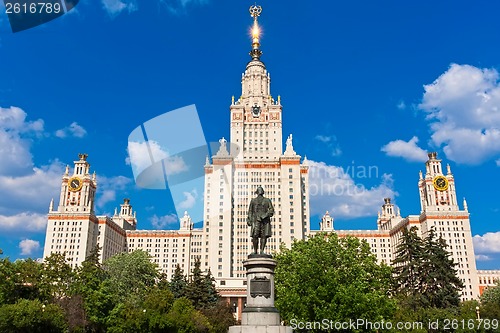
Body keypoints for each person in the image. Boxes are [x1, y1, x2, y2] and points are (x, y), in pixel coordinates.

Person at [247, 186, 274, 255]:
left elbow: (271, 210)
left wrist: (264, 216)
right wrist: (249, 219)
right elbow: (250, 211)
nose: (260, 191)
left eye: (261, 189)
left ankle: (262, 251)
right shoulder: (253, 200)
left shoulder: (267, 200)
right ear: (257, 192)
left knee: (263, 235)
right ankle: (255, 251)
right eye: (259, 190)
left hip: (264, 221)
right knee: (255, 235)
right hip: (255, 220)